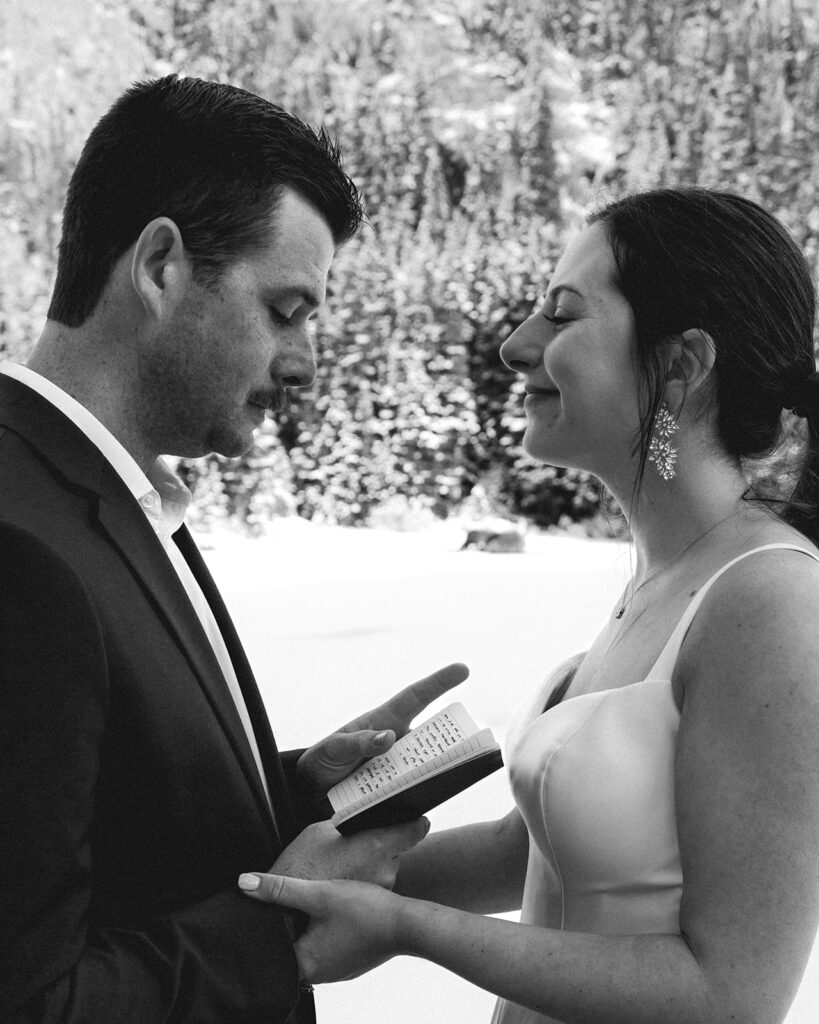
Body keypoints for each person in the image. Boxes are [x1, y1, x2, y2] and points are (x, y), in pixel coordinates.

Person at [243, 187, 819, 1024]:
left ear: (682, 366)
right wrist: (316, 870)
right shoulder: (658, 580)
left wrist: (407, 929)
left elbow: (729, 994)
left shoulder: (769, 600)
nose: (516, 346)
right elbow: (529, 856)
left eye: (560, 314)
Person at [0, 74, 468, 1023]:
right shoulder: (21, 549)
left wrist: (288, 791)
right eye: (285, 310)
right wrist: (284, 925)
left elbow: (98, 828)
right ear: (162, 266)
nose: (302, 362)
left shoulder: (92, 490)